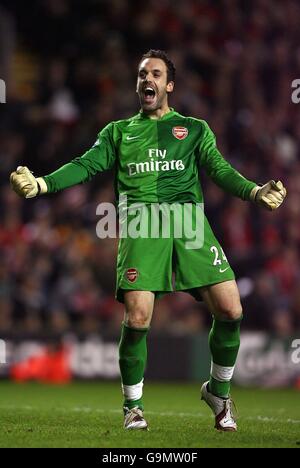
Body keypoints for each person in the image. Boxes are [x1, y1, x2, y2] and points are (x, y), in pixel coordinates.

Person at [10, 49, 286, 432]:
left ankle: (219, 392)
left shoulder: (194, 130)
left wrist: (254, 193)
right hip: (142, 227)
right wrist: (42, 183)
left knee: (231, 310)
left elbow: (219, 169)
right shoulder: (118, 132)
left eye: (155, 74)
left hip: (189, 225)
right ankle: (133, 406)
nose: (146, 80)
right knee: (138, 317)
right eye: (142, 74)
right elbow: (85, 165)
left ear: (169, 85)